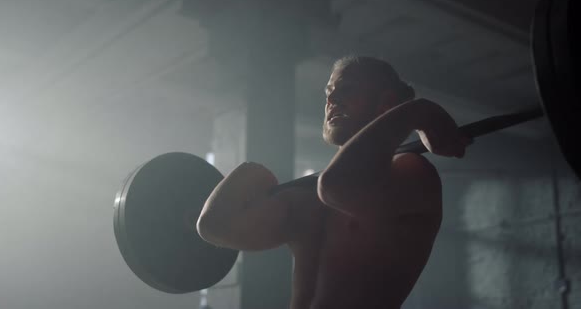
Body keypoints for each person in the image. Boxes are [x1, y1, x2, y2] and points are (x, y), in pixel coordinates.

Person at [197, 56, 472, 309]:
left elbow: (337, 187)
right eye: (329, 93)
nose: (333, 100)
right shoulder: (309, 198)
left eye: (347, 89)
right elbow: (215, 226)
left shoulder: (411, 172)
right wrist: (251, 171)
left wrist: (417, 112)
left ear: (386, 104)